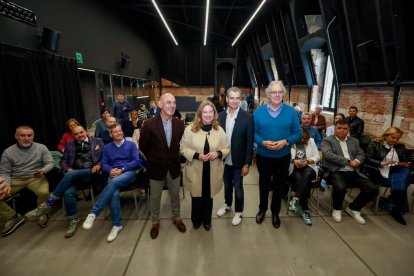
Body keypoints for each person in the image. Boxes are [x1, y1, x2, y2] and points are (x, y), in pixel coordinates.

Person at [25, 126, 105, 238]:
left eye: (81, 132)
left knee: (70, 175)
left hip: (91, 173)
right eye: (76, 134)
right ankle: (73, 219)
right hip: (73, 175)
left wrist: (99, 164)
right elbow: (63, 161)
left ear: (85, 131)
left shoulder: (97, 141)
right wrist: (67, 168)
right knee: (68, 192)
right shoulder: (69, 145)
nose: (80, 135)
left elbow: (106, 156)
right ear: (73, 135)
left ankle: (47, 203)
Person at [253, 80, 302, 229]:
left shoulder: (291, 112)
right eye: (273, 92)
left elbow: (298, 133)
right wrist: (262, 143)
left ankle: (275, 212)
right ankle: (262, 209)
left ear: (283, 94)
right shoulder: (258, 112)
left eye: (279, 92)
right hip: (263, 155)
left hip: (283, 156)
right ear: (268, 94)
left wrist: (286, 142)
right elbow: (253, 133)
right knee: (263, 184)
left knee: (279, 185)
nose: (276, 95)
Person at [82, 123, 142, 242]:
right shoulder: (108, 147)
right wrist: (110, 170)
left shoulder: (131, 145)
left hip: (128, 172)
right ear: (110, 134)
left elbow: (136, 161)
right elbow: (104, 164)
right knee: (113, 193)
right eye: (115, 132)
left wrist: (122, 169)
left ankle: (94, 212)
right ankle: (117, 225)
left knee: (112, 184)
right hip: (113, 173)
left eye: (120, 131)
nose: (119, 133)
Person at [139, 93, 186, 240]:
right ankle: (155, 223)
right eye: (168, 102)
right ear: (160, 104)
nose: (172, 105)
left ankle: (177, 218)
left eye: (174, 102)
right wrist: (154, 158)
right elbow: (143, 146)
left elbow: (181, 145)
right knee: (155, 198)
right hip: (156, 168)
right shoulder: (149, 124)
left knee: (175, 196)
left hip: (173, 167)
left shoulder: (179, 124)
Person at [180, 100, 229, 231]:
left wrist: (218, 153)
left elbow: (227, 148)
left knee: (208, 197)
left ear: (214, 113)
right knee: (196, 197)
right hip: (195, 170)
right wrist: (197, 155)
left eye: (210, 112)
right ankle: (196, 220)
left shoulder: (219, 130)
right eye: (205, 112)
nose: (208, 115)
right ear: (200, 114)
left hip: (211, 171)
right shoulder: (190, 129)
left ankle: (207, 221)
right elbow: (182, 148)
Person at [321, 120, 378, 224]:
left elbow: (361, 154)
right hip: (336, 171)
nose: (342, 130)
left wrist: (357, 161)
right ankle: (337, 209)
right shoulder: (327, 140)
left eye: (345, 128)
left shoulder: (354, 141)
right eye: (339, 128)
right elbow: (328, 154)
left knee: (373, 189)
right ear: (335, 129)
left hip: (353, 171)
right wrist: (347, 162)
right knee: (340, 187)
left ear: (348, 129)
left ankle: (354, 208)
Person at [0, 126, 54, 236]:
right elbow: (5, 172)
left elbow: (50, 163)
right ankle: (13, 217)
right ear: (16, 136)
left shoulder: (41, 147)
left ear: (33, 136)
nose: (26, 138)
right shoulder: (8, 152)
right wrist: (7, 185)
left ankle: (42, 213)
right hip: (16, 179)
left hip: (36, 177)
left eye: (29, 135)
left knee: (44, 193)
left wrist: (43, 171)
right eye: (22, 135)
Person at [217, 87, 254, 226]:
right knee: (227, 185)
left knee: (238, 187)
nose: (234, 101)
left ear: (240, 99)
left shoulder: (248, 117)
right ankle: (227, 205)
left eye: (237, 98)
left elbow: (250, 143)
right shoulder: (220, 116)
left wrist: (247, 163)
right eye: (231, 98)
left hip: (239, 161)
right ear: (227, 99)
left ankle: (239, 211)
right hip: (223, 160)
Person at [365, 127, 412, 225]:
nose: (395, 140)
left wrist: (405, 163)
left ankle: (393, 204)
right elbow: (367, 160)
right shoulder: (375, 145)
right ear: (386, 135)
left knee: (406, 171)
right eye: (393, 137)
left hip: (397, 171)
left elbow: (404, 160)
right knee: (403, 183)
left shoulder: (400, 147)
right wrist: (383, 163)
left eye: (397, 138)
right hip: (380, 171)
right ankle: (396, 209)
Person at [288, 126, 319, 226]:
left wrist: (307, 161)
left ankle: (296, 199)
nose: (302, 140)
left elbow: (317, 156)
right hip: (294, 167)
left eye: (304, 137)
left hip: (309, 167)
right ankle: (305, 210)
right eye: (299, 137)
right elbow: (284, 156)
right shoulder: (289, 141)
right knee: (302, 181)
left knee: (308, 174)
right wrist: (294, 160)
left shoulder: (311, 141)